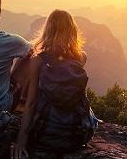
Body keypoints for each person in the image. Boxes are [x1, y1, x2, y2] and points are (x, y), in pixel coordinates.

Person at [11, 9, 88, 159]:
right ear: (72, 30)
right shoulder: (81, 57)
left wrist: (21, 141)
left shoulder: (38, 60)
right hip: (75, 134)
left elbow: (31, 103)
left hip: (45, 133)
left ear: (48, 29)